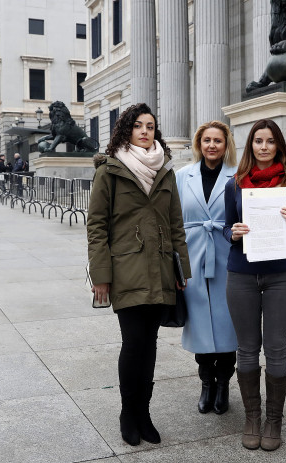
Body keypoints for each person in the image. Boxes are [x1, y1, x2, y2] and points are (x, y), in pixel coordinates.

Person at [87, 102, 190, 448]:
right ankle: (128, 414)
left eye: (150, 126)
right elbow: (97, 227)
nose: (145, 131)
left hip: (161, 269)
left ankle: (144, 414)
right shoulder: (110, 170)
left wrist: (182, 270)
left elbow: (176, 225)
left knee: (151, 345)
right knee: (133, 344)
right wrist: (100, 275)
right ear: (127, 130)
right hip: (126, 270)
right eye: (138, 126)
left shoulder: (166, 171)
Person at [223, 118, 286, 452]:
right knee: (246, 348)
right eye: (258, 141)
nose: (264, 147)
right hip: (242, 272)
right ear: (250, 145)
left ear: (278, 145)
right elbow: (227, 227)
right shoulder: (236, 184)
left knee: (276, 348)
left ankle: (274, 420)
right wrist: (233, 232)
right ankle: (252, 417)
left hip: (281, 275)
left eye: (270, 141)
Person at [175, 121, 239, 415]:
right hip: (192, 255)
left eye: (218, 141)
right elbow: (173, 220)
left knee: (228, 322)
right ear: (199, 144)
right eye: (207, 140)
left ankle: (224, 382)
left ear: (226, 146)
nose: (212, 145)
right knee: (199, 321)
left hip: (227, 255)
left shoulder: (238, 176)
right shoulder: (181, 176)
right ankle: (206, 382)